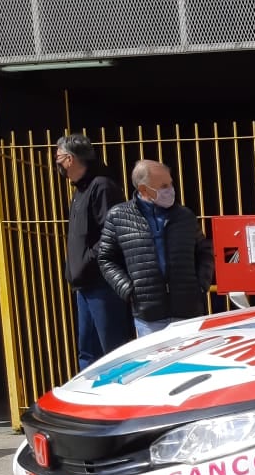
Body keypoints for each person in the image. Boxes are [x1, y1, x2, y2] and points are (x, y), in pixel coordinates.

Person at [97, 160, 215, 337]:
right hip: (149, 315)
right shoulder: (118, 216)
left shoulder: (184, 216)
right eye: (164, 186)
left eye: (171, 184)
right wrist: (127, 289)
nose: (170, 190)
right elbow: (106, 258)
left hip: (188, 311)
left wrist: (201, 285)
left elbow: (204, 251)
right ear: (144, 190)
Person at [56, 134, 133, 369]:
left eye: (58, 158)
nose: (57, 164)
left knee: (113, 351)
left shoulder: (102, 186)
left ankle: (120, 402)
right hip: (84, 285)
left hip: (103, 283)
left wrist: (88, 260)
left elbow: (112, 232)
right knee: (88, 353)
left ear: (70, 159)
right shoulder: (80, 191)